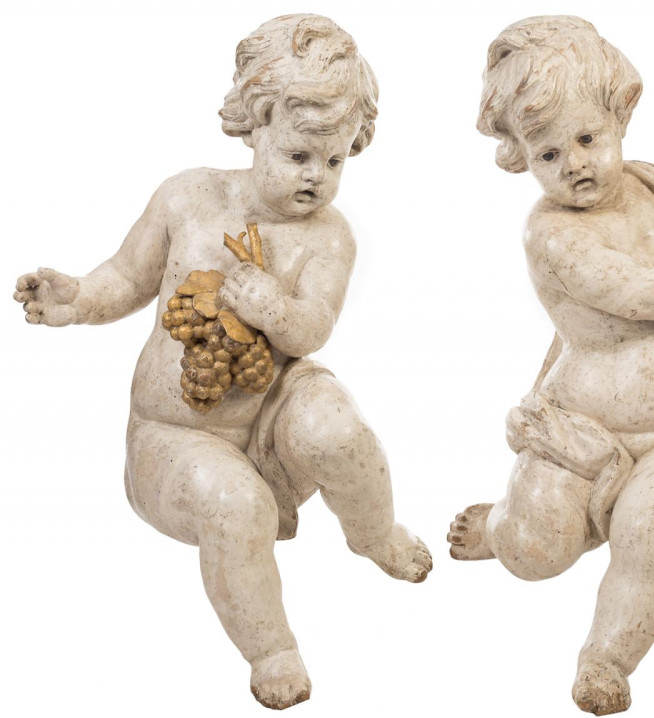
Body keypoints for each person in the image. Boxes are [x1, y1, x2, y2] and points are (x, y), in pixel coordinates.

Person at [14, 14, 431, 711]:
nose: (317, 177)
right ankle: (271, 649)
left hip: (272, 413)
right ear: (255, 124)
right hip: (174, 438)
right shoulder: (188, 197)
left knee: (339, 429)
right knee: (235, 504)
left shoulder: (327, 238)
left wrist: (271, 305)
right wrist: (78, 298)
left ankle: (374, 533)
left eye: (335, 162)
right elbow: (127, 276)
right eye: (299, 154)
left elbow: (312, 328)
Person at [447, 15, 654, 715]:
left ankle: (606, 659)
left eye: (587, 139)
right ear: (520, 157)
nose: (573, 163)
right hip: (581, 433)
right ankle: (501, 530)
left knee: (653, 527)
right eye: (547, 153)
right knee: (536, 552)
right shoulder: (550, 232)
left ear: (619, 115)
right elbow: (638, 293)